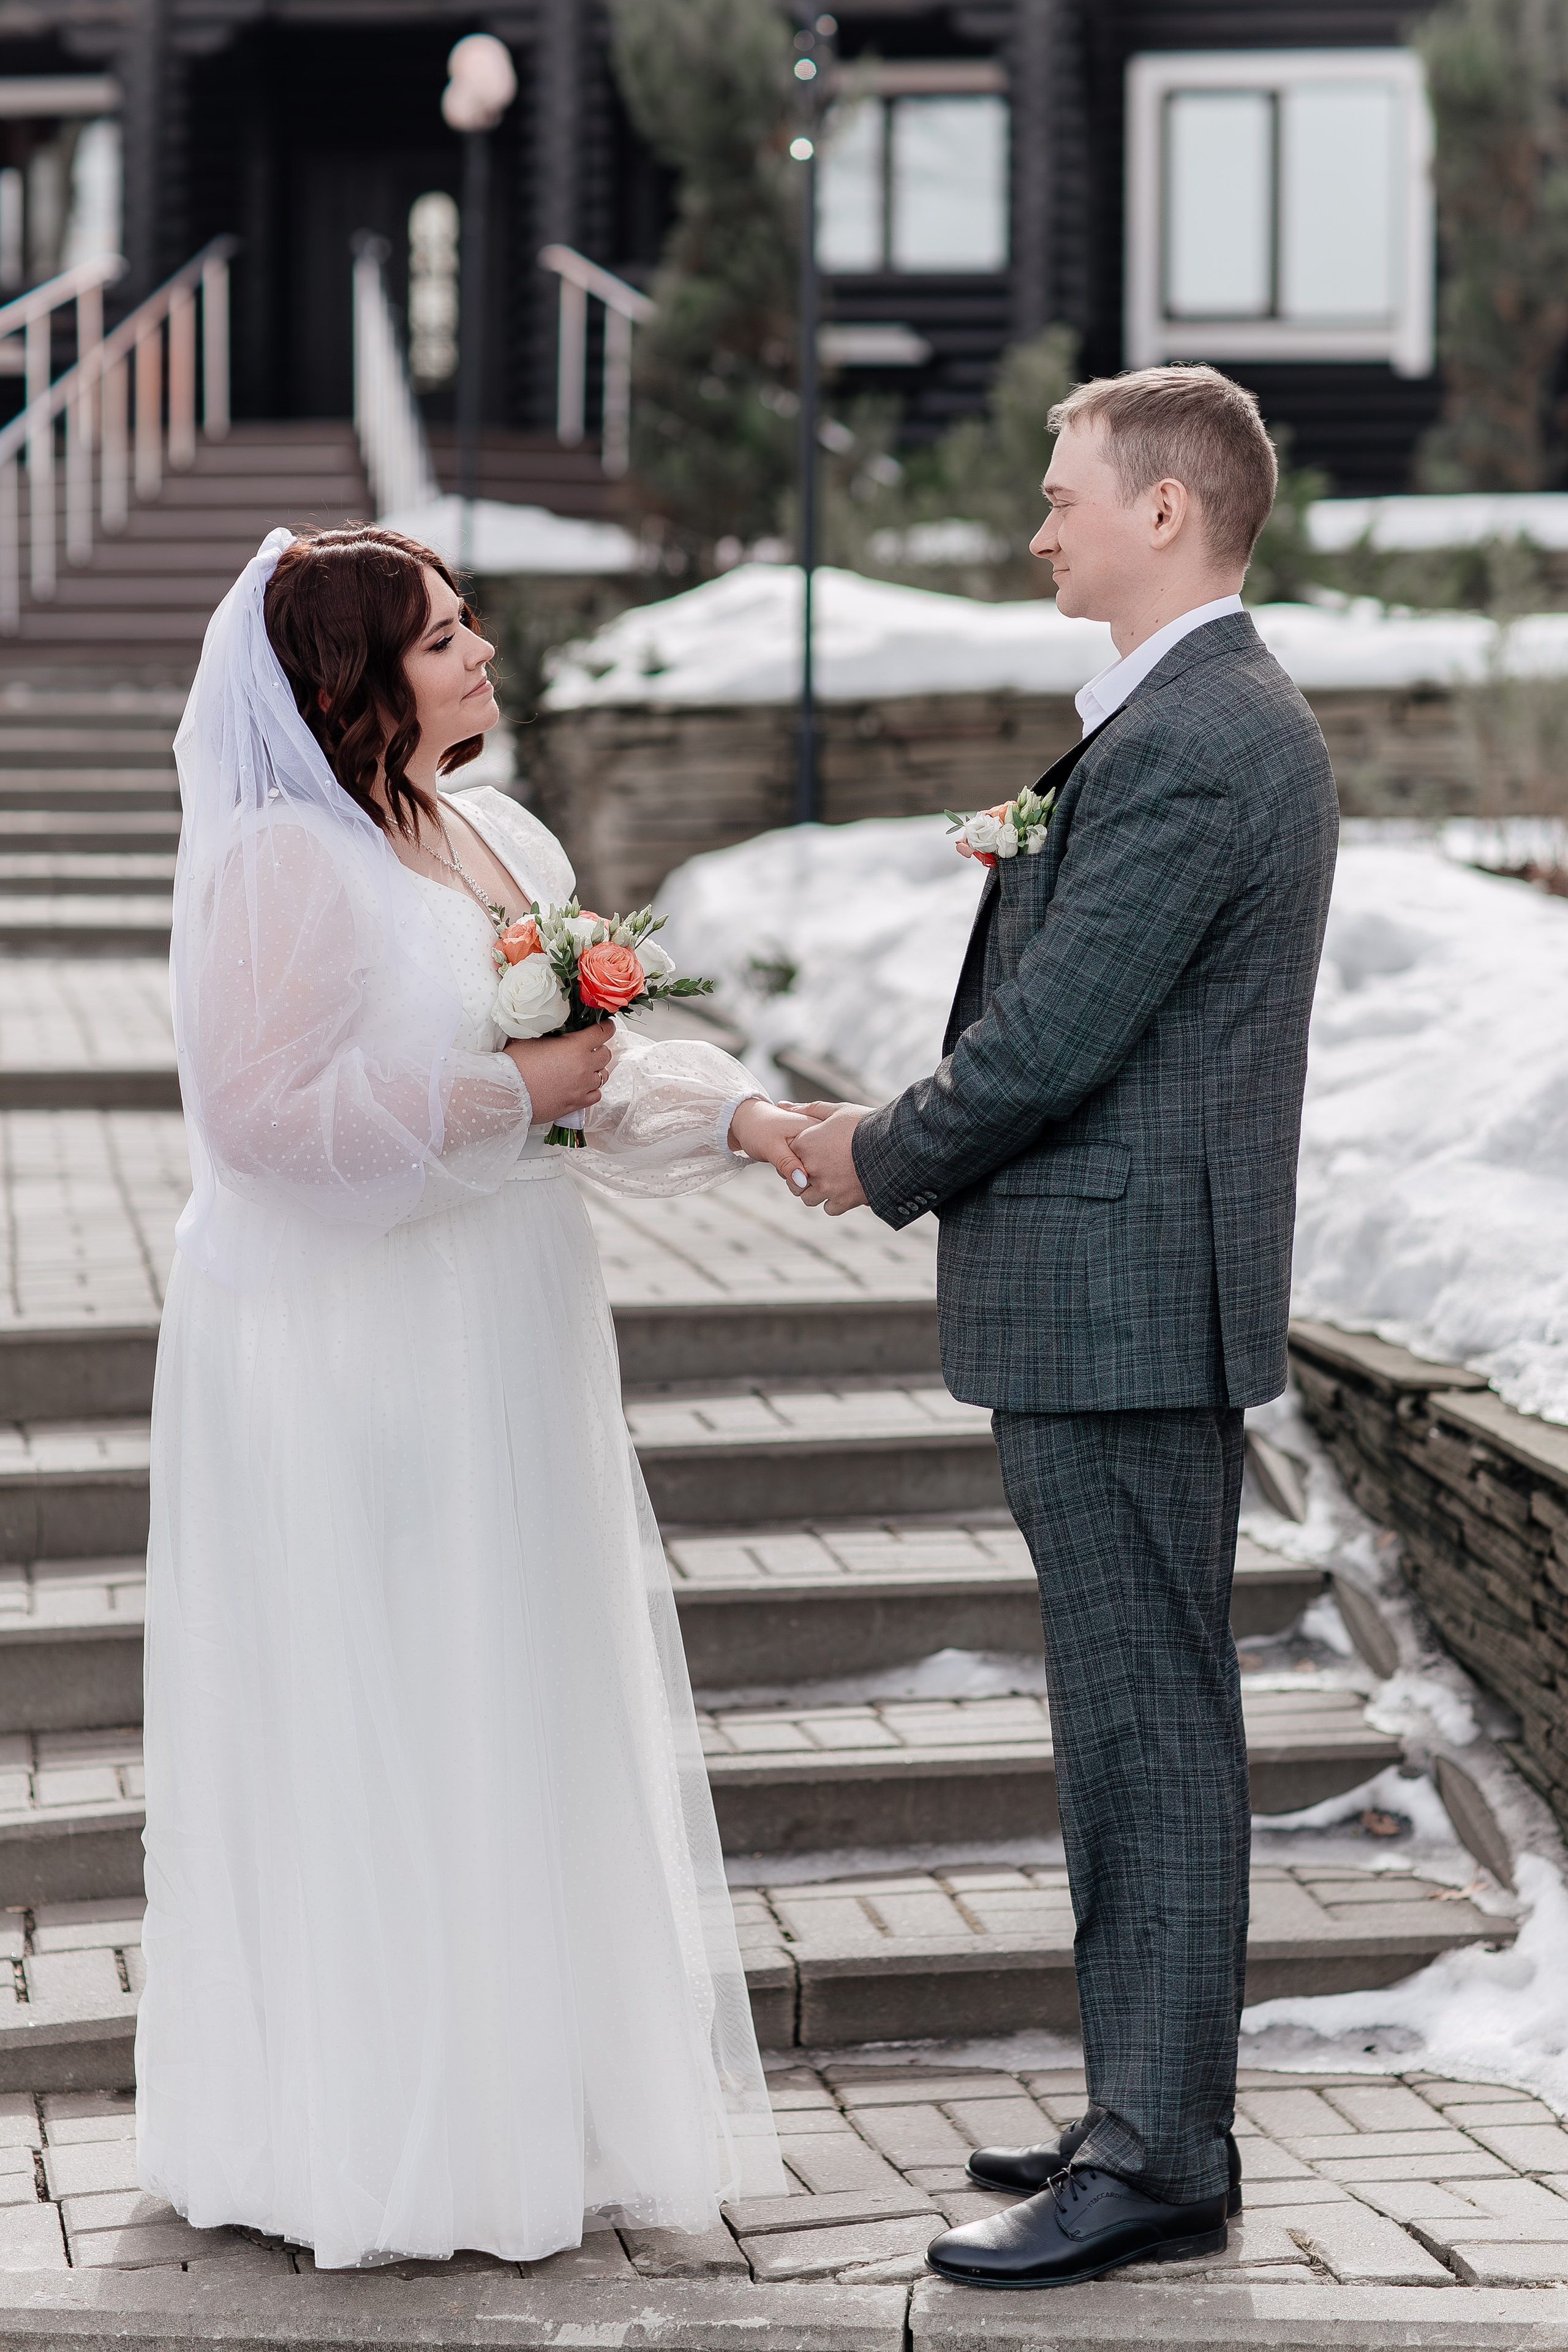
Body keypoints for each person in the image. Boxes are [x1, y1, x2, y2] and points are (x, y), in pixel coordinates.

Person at [136, 526, 805, 2268]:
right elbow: (266, 1125)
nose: (481, 647)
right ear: (356, 682)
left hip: (506, 1315)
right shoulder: (286, 864)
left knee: (510, 1687)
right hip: (353, 1344)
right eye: (444, 636)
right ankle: (370, 2138)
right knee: (393, 1697)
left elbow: (591, 1076)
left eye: (467, 623)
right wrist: (509, 1092)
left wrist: (750, 1121)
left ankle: (532, 2102)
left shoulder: (499, 833)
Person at [786, 366, 1339, 2288]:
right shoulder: (1173, 721)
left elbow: (1060, 1038)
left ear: (1166, 513)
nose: (1038, 528)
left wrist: (872, 1150)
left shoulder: (1204, 734)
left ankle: (1159, 2149)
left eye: (1061, 497)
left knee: (1146, 1729)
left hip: (1122, 1305)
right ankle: (1149, 2100)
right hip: (1110, 1299)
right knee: (1131, 1725)